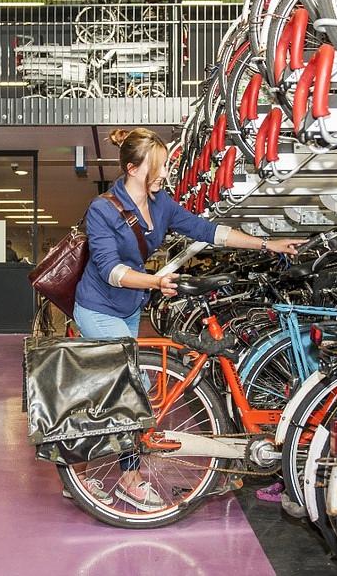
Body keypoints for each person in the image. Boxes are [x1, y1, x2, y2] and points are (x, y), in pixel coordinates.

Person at [70, 127, 305, 512]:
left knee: (114, 389)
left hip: (129, 307)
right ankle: (127, 478)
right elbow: (110, 269)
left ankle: (76, 468)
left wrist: (267, 244)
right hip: (97, 307)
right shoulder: (103, 209)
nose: (164, 174)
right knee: (134, 386)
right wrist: (154, 280)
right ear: (132, 168)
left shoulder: (160, 203)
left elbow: (209, 231)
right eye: (157, 167)